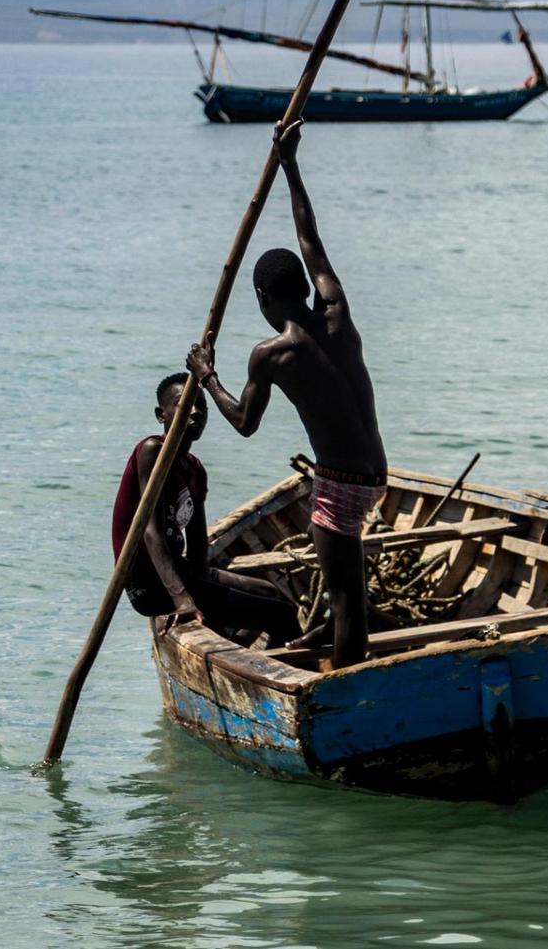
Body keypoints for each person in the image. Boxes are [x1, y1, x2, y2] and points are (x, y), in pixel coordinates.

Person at [187, 120, 387, 670]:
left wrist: (207, 376)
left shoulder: (272, 354)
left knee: (348, 601)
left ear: (260, 296)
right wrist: (291, 164)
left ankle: (348, 684)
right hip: (376, 471)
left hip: (342, 485)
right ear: (303, 286)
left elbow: (244, 422)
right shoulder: (336, 311)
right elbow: (309, 239)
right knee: (343, 589)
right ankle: (327, 644)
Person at [112, 372, 300, 646]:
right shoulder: (151, 450)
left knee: (270, 593)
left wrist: (208, 584)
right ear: (160, 414)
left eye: (202, 406)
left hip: (184, 573)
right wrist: (182, 599)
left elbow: (198, 546)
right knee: (283, 616)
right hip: (150, 586)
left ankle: (235, 648)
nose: (197, 412)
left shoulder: (195, 469)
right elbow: (150, 532)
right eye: (185, 404)